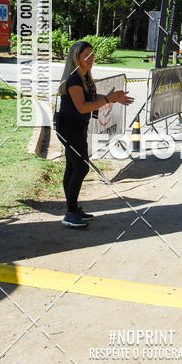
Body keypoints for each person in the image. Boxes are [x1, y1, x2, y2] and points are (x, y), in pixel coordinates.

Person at [56, 41, 133, 228]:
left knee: (73, 167)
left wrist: (113, 98)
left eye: (92, 54)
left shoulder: (85, 76)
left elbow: (90, 99)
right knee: (81, 168)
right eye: (86, 56)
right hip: (69, 127)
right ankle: (70, 213)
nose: (91, 59)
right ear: (77, 58)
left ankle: (73, 209)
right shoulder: (74, 79)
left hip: (78, 126)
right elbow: (82, 106)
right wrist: (108, 99)